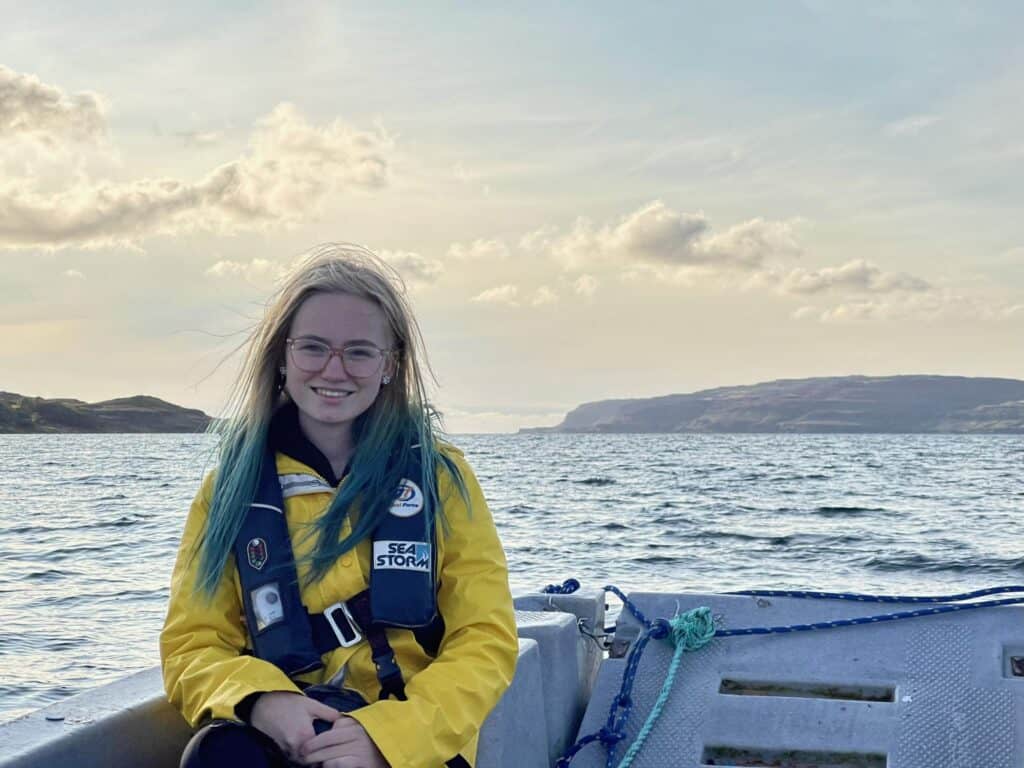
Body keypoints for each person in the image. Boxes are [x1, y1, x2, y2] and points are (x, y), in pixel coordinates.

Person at [160, 243, 518, 768]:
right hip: (289, 738)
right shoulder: (229, 490)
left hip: (411, 745)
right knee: (218, 754)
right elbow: (192, 643)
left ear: (389, 364)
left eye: (358, 351)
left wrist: (387, 737)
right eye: (313, 347)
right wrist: (263, 701)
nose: (334, 369)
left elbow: (485, 637)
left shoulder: (441, 478)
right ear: (282, 355)